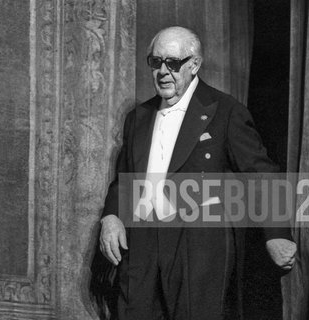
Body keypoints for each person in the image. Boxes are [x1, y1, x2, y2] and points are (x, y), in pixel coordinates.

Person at [99, 26, 297, 320]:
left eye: (173, 63)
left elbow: (261, 175)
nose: (163, 71)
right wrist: (111, 216)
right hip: (140, 243)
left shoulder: (226, 111)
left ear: (194, 65)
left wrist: (277, 234)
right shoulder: (137, 118)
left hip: (198, 247)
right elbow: (123, 180)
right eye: (156, 62)